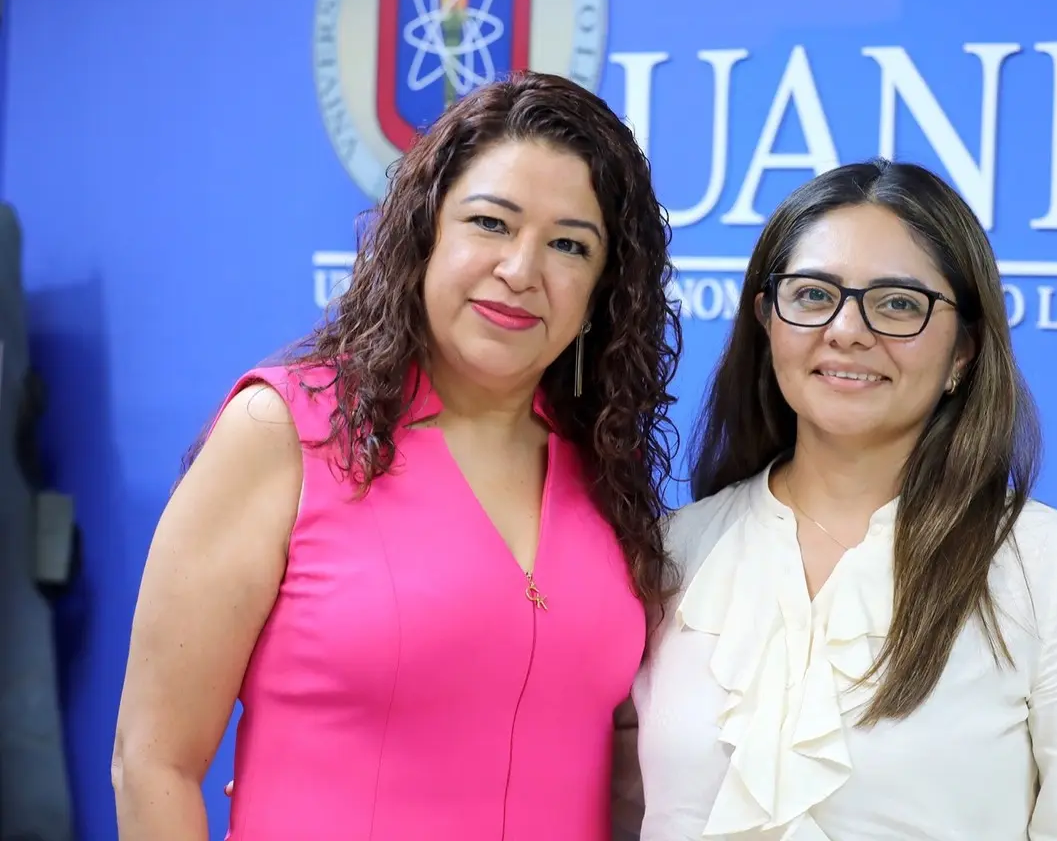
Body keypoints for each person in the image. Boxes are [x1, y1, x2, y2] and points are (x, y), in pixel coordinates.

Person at [111, 71, 682, 840]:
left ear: (601, 291)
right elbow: (154, 761)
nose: (521, 271)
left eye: (569, 245)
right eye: (490, 223)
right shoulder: (283, 431)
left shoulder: (607, 478)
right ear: (425, 235)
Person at [614, 159, 1057, 839]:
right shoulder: (671, 552)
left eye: (899, 303)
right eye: (813, 294)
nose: (847, 329)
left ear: (964, 349)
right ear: (767, 320)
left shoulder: (1049, 566)